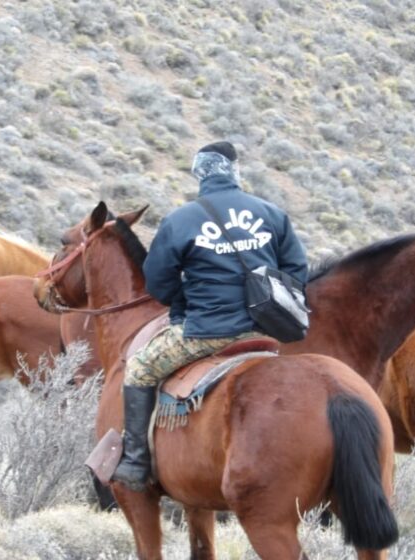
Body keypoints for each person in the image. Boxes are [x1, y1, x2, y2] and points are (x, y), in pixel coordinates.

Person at [112, 141, 309, 491]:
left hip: (207, 332)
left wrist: (187, 300)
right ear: (235, 170)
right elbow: (296, 270)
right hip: (263, 332)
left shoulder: (180, 220)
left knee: (140, 369)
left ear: (199, 175)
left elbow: (157, 284)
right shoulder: (271, 213)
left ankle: (136, 462)